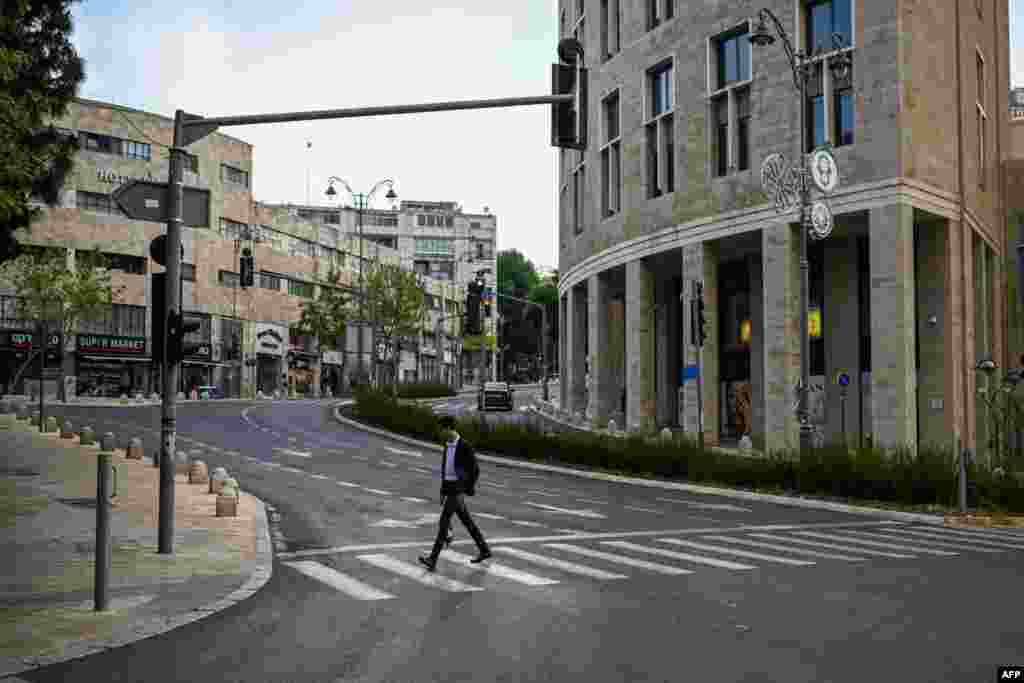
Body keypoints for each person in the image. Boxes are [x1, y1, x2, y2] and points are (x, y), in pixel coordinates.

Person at [419, 414, 491, 571]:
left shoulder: (464, 446)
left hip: (458, 489)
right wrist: (442, 491)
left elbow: (475, 470)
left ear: (448, 428)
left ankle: (432, 559)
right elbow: (446, 470)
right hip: (450, 488)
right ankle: (484, 550)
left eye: (441, 429)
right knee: (467, 522)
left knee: (444, 522)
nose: (439, 432)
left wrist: (466, 487)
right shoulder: (447, 446)